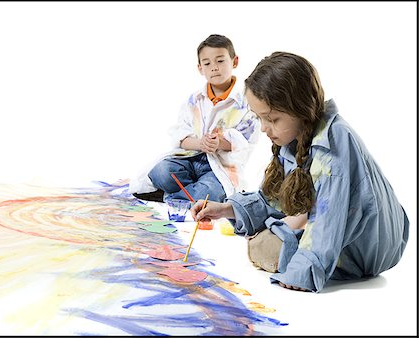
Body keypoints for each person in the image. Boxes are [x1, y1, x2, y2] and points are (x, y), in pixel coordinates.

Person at [191, 51, 410, 293]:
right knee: (268, 236)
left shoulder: (333, 146)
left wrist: (302, 271)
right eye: (259, 118)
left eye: (272, 119)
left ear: (300, 109)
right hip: (361, 229)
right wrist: (225, 209)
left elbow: (329, 217)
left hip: (371, 249)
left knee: (266, 246)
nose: (264, 128)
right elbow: (273, 198)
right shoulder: (294, 135)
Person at [129, 34, 260, 203]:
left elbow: (246, 141)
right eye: (207, 63)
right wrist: (200, 143)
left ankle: (171, 196)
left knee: (210, 193)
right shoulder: (194, 100)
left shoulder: (246, 101)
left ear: (234, 62)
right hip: (190, 159)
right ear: (200, 68)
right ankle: (191, 193)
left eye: (220, 61)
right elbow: (180, 135)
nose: (214, 67)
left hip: (220, 166)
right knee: (162, 171)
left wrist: (219, 143)